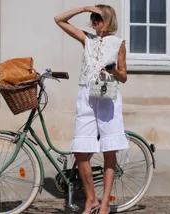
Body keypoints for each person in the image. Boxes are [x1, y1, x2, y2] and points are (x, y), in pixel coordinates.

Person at [54, 4, 129, 214]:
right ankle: (91, 199)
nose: (95, 21)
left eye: (100, 17)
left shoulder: (118, 43)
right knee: (80, 150)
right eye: (93, 17)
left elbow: (124, 76)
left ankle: (104, 203)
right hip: (87, 95)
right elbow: (59, 19)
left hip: (108, 97)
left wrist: (114, 71)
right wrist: (83, 8)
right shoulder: (87, 39)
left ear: (109, 20)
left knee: (108, 149)